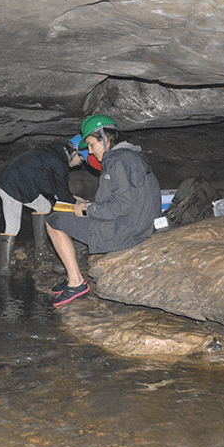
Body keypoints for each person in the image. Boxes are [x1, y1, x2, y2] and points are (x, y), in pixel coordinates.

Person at [46, 114, 161, 307]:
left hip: (126, 232)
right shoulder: (132, 157)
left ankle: (75, 283)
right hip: (141, 227)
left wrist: (87, 210)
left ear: (105, 137)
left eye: (92, 145)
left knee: (54, 221)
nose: (90, 152)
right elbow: (128, 199)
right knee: (70, 217)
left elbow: (121, 205)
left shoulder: (116, 160)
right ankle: (72, 273)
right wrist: (92, 206)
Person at [0, 139, 86, 275]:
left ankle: (41, 251)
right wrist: (78, 204)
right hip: (10, 187)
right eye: (81, 157)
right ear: (74, 152)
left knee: (43, 206)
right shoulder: (58, 163)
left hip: (22, 185)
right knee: (13, 226)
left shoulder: (53, 156)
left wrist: (73, 199)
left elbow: (55, 189)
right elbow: (62, 197)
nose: (80, 162)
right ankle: (4, 268)